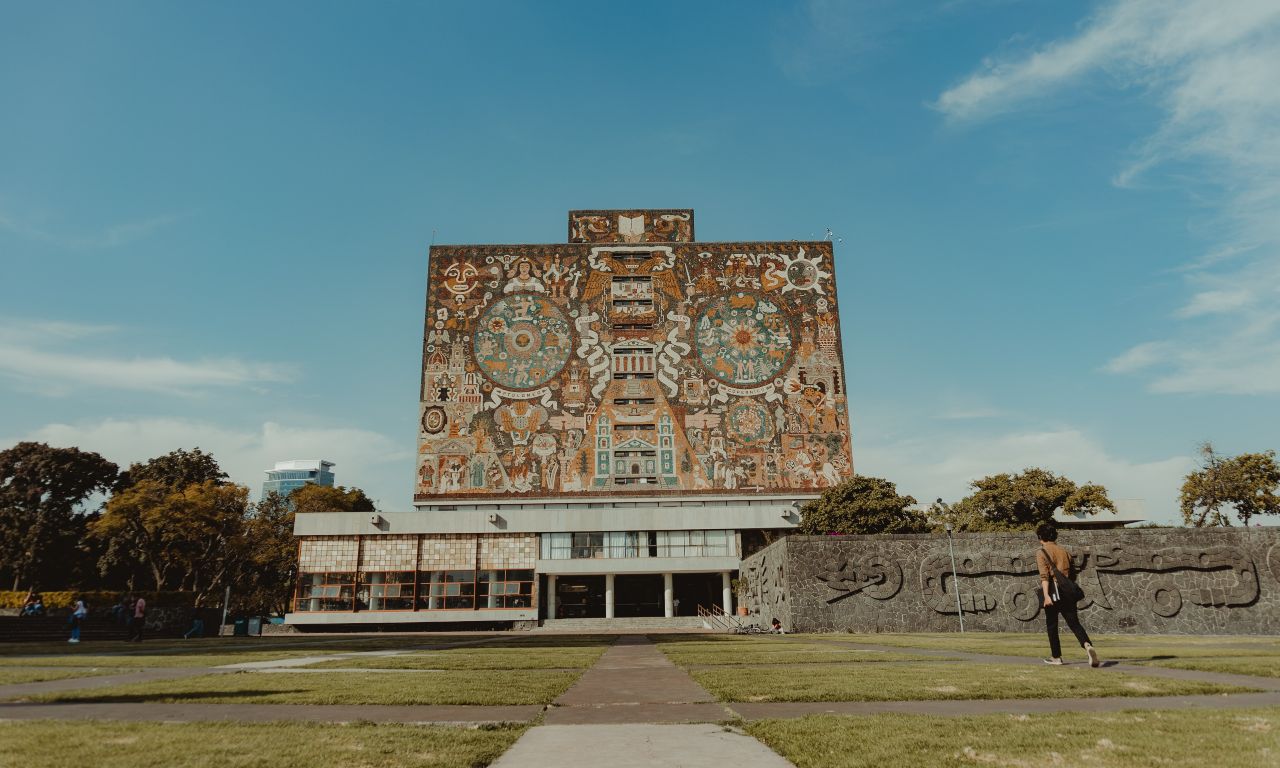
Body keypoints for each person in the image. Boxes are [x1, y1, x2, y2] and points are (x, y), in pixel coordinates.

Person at [1035, 523, 1100, 667]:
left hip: (1053, 592)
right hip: (1067, 592)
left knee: (1052, 625)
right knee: (1074, 623)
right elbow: (1072, 574)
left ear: (1041, 537)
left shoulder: (1041, 552)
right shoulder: (1065, 552)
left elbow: (1044, 577)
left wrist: (1046, 596)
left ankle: (1056, 657)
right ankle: (1087, 644)